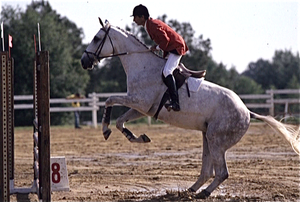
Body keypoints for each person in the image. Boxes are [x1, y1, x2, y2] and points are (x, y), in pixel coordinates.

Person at [131, 4, 188, 112]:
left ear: (142, 17)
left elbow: (165, 40)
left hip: (176, 47)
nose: (134, 20)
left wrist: (156, 47)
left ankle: (176, 103)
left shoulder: (152, 25)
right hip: (170, 48)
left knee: (167, 72)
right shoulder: (149, 25)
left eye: (135, 17)